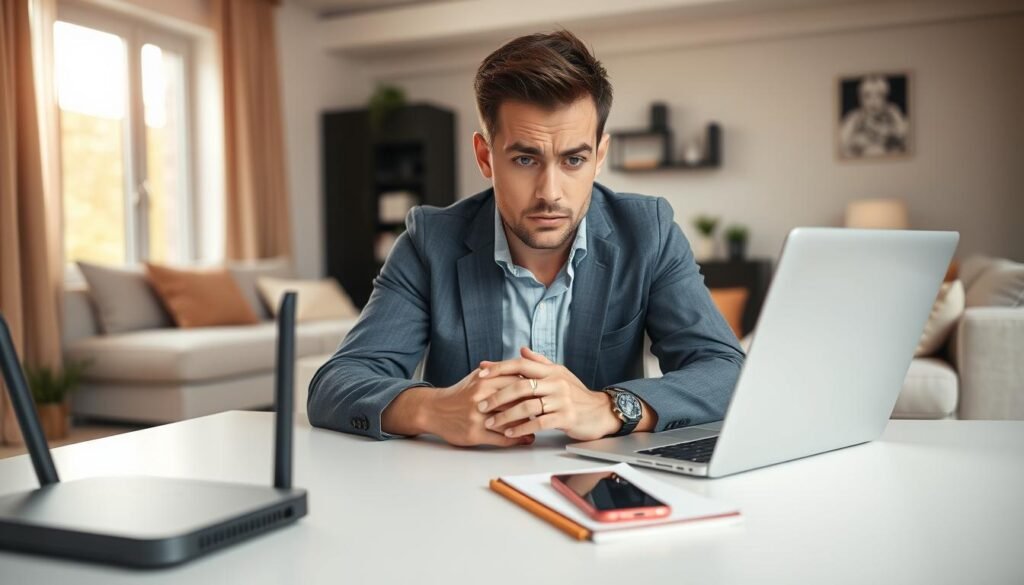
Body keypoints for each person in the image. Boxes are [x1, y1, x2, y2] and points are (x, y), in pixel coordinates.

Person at [308, 30, 744, 447]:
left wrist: (610, 407)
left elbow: (727, 370)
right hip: (459, 482)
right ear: (485, 157)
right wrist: (433, 409)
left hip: (602, 481)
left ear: (599, 157)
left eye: (573, 160)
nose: (550, 193)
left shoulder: (648, 232)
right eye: (524, 159)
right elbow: (336, 383)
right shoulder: (430, 242)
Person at [839, 75, 909, 158]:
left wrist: (890, 134)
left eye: (879, 95)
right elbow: (843, 141)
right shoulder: (855, 116)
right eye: (867, 96)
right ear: (860, 98)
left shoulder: (892, 112)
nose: (873, 101)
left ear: (886, 97)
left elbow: (903, 134)